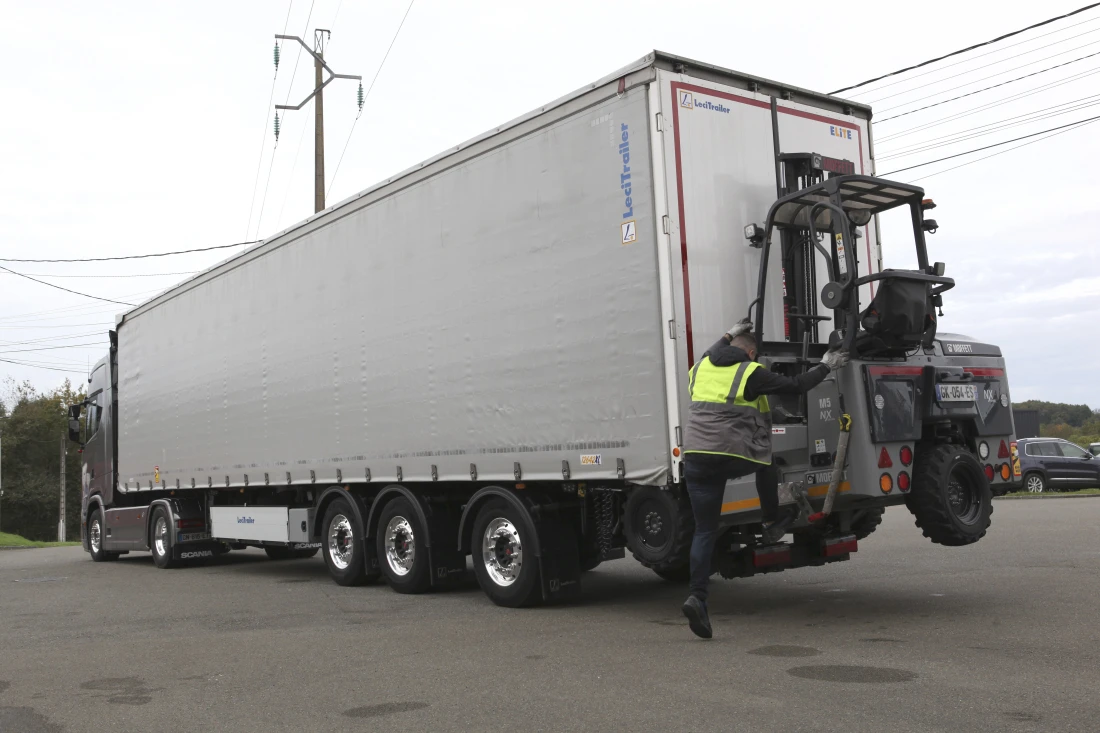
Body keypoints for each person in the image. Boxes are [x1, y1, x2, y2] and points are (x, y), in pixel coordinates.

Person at [680, 321, 849, 639]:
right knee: (764, 461)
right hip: (730, 453)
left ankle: (697, 598)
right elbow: (797, 385)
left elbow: (714, 348)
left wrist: (729, 332)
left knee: (704, 530)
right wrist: (827, 364)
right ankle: (772, 521)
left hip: (695, 457)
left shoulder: (700, 366)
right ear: (752, 352)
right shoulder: (750, 371)